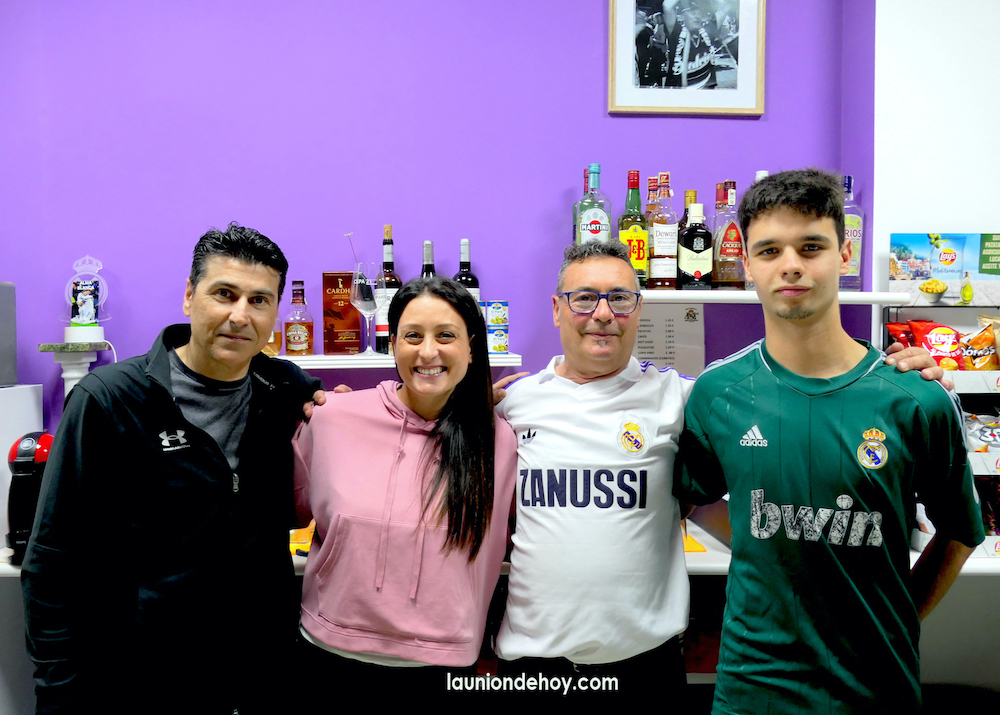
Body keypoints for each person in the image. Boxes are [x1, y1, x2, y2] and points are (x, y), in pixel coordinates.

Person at [493, 240, 950, 698]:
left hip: (644, 666)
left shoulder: (685, 396)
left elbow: (798, 402)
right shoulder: (514, 403)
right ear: (557, 309)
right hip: (534, 664)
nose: (603, 314)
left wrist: (906, 378)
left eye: (620, 298)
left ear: (638, 309)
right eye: (584, 298)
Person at [673, 169, 985, 714]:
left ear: (844, 255)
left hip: (876, 690)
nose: (790, 264)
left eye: (811, 246)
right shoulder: (717, 393)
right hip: (752, 692)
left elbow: (960, 530)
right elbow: (694, 499)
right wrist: (768, 539)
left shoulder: (917, 398)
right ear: (746, 265)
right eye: (769, 250)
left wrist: (899, 615)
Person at [20, 223, 324, 714]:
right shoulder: (110, 401)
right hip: (142, 682)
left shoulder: (282, 394)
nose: (240, 315)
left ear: (274, 313)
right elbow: (52, 562)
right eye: (224, 294)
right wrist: (59, 694)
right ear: (188, 296)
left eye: (259, 300)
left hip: (258, 677)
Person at [291, 276, 518, 700]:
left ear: (471, 347)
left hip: (446, 661)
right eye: (413, 336)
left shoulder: (499, 440)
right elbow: (287, 511)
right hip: (330, 653)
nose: (428, 352)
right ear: (393, 343)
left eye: (446, 336)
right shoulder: (332, 419)